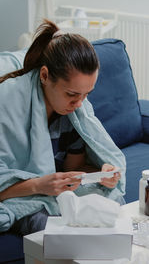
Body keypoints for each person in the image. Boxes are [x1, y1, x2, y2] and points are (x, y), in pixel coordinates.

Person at [0, 19, 126, 235]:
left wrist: (101, 174)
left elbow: (71, 169)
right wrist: (38, 185)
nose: (79, 104)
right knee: (53, 228)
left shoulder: (75, 114)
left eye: (86, 95)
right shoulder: (7, 102)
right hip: (23, 196)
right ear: (45, 76)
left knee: (111, 206)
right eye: (72, 94)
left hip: (53, 191)